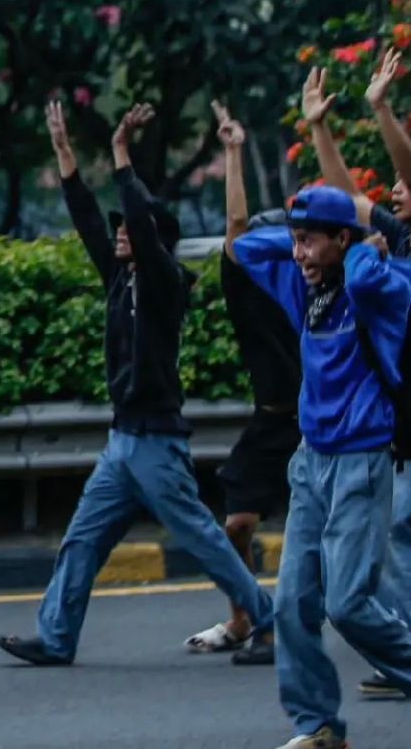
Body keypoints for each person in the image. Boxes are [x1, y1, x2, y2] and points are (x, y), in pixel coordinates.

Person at [0, 102, 275, 668]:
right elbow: (87, 222)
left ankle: (268, 621)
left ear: (152, 240)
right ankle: (55, 638)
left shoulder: (164, 285)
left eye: (129, 228)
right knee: (83, 540)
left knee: (204, 541)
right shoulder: (120, 279)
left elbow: (141, 229)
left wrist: (122, 153)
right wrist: (65, 154)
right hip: (122, 444)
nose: (119, 234)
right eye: (120, 228)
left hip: (156, 444)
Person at [221, 104, 411, 749]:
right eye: (297, 241)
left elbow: (365, 272)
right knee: (293, 605)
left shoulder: (385, 283)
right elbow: (239, 244)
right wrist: (300, 229)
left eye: (312, 241)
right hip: (311, 462)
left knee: (349, 604)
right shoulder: (301, 284)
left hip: (363, 461)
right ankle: (318, 726)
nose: (299, 253)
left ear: (343, 240)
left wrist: (359, 241)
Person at [301, 55, 411, 699]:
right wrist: (319, 127)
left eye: (403, 186)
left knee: (402, 530)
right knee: (402, 533)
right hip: (410, 412)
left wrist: (380, 107)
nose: (395, 191)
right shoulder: (400, 244)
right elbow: (348, 207)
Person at [182, 204, 301, 664]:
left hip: (321, 426)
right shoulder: (244, 289)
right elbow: (234, 231)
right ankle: (244, 619)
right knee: (236, 525)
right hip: (272, 424)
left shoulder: (315, 287)